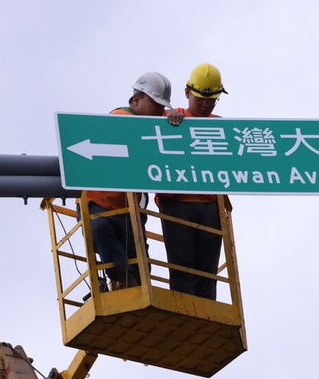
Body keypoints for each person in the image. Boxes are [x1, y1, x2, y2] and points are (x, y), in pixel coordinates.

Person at [79, 71, 173, 290]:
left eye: (163, 106)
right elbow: (129, 129)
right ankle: (124, 282)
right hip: (96, 204)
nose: (160, 110)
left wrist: (173, 118)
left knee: (140, 263)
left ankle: (135, 289)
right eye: (155, 103)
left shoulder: (154, 123)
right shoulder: (121, 116)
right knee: (101, 231)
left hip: (129, 211)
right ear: (136, 100)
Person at [156, 63, 228, 300]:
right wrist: (167, 119)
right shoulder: (169, 119)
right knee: (183, 268)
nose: (207, 105)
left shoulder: (220, 126)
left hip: (211, 205)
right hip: (177, 203)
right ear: (187, 93)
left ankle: (207, 314)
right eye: (201, 100)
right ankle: (184, 314)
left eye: (212, 100)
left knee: (207, 272)